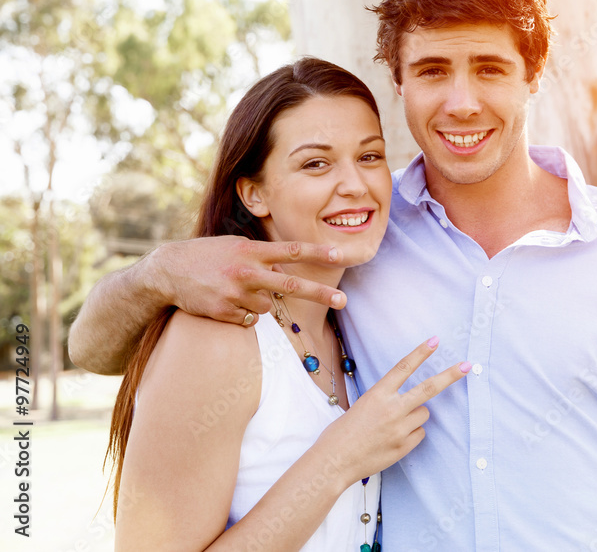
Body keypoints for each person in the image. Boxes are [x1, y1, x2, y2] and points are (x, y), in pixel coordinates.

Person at [71, 0, 597, 549]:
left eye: (489, 67)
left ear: (532, 76)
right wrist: (156, 272)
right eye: (431, 70)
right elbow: (93, 348)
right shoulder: (354, 240)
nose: (461, 101)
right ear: (397, 79)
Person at [107, 58, 475, 550]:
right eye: (315, 164)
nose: (355, 185)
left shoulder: (347, 325)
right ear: (254, 193)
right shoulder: (216, 340)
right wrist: (340, 457)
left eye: (369, 157)